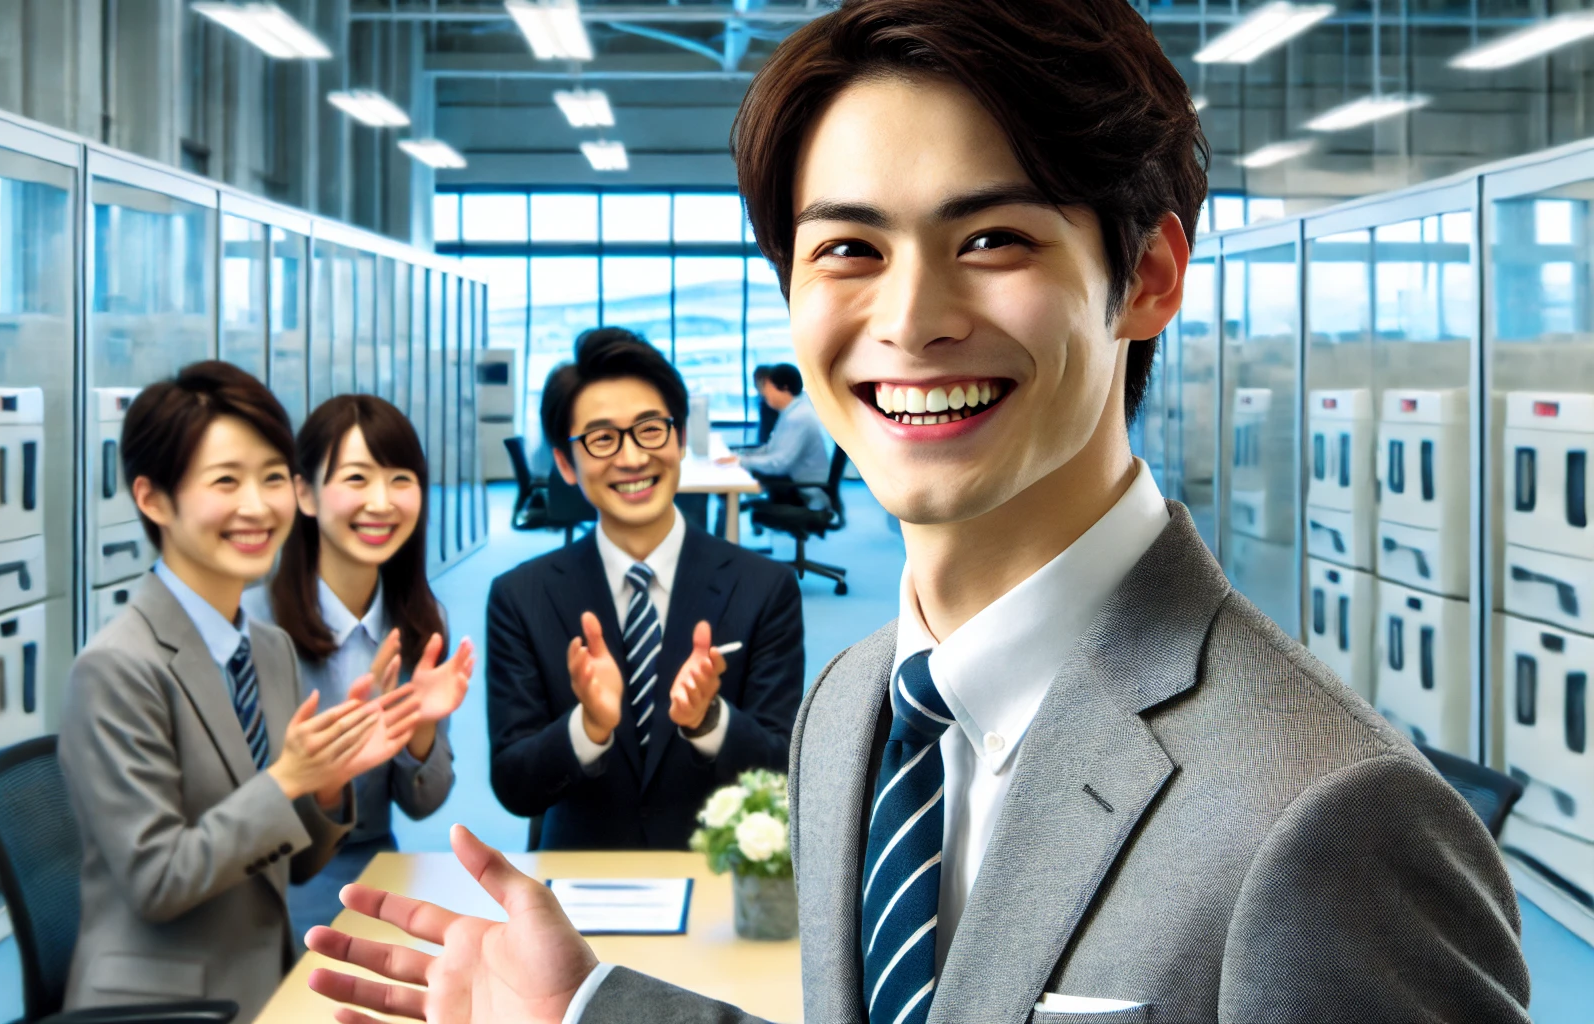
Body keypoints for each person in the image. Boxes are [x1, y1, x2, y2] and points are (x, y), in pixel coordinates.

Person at [301, 1, 1534, 1022]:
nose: (907, 318)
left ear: (1145, 277)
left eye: (991, 237)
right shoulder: (858, 707)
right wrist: (587, 1006)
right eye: (847, 250)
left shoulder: (1330, 820)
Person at [58, 362, 419, 1017]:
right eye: (226, 481)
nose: (258, 506)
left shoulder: (268, 649)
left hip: (268, 977)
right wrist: (287, 779)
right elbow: (159, 881)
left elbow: (293, 863)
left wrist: (330, 783)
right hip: (164, 1004)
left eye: (274, 478)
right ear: (153, 499)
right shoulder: (116, 668)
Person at [483, 327, 806, 850]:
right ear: (566, 463)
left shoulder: (764, 587)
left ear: (679, 440)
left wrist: (710, 720)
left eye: (650, 430)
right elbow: (515, 786)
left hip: (714, 875)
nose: (632, 458)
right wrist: (587, 727)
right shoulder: (521, 597)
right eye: (602, 439)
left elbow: (780, 773)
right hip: (579, 878)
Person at [242, 394, 475, 937]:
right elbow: (235, 817)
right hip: (270, 888)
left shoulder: (419, 619)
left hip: (376, 873)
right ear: (304, 492)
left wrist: (418, 728)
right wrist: (329, 777)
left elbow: (423, 805)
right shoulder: (252, 628)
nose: (382, 502)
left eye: (401, 479)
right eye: (356, 479)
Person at [723, 363, 831, 484]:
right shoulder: (792, 410)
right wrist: (741, 455)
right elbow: (771, 449)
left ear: (784, 388)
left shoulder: (799, 417)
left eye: (767, 387)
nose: (764, 393)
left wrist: (742, 461)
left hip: (803, 489)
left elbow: (779, 464)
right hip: (794, 483)